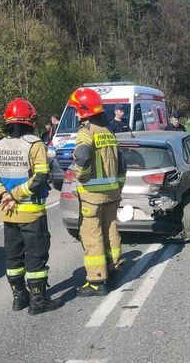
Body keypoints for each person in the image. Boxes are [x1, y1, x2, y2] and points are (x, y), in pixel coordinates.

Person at [0, 97, 63, 315]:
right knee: (36, 255)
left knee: (13, 257)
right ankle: (38, 300)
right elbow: (40, 177)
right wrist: (16, 195)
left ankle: (19, 297)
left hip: (8, 214)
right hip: (32, 213)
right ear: (31, 120)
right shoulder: (35, 144)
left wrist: (3, 196)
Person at [67, 88, 127, 296]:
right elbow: (122, 164)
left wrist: (81, 176)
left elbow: (82, 156)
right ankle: (113, 268)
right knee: (111, 233)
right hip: (112, 195)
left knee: (92, 237)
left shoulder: (86, 132)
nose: (75, 114)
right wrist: (118, 186)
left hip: (92, 197)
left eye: (76, 110)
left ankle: (96, 281)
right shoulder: (108, 132)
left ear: (84, 110)